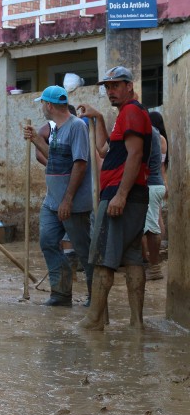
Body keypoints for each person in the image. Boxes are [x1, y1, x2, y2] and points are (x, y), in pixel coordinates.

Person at [77, 66, 152, 331]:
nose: (110, 91)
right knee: (132, 258)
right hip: (133, 196)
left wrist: (120, 194)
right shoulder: (128, 114)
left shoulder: (131, 112)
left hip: (121, 196)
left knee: (101, 258)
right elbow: (104, 149)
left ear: (130, 86)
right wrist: (97, 118)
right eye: (107, 87)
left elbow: (134, 155)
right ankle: (137, 323)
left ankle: (94, 320)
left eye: (116, 86)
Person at [24, 86, 93, 307]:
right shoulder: (55, 129)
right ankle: (61, 293)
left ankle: (96, 297)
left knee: (83, 249)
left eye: (43, 103)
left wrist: (68, 199)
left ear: (49, 105)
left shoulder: (77, 127)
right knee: (48, 242)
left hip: (72, 203)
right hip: (52, 201)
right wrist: (36, 139)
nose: (42, 108)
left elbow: (80, 164)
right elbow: (54, 158)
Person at [142, 111, 168, 280]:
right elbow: (162, 165)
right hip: (158, 183)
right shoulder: (161, 137)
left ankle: (153, 265)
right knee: (156, 221)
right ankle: (153, 261)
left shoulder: (150, 135)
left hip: (151, 184)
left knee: (149, 227)